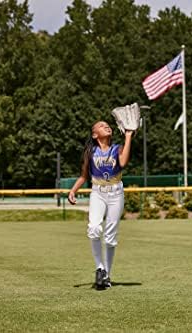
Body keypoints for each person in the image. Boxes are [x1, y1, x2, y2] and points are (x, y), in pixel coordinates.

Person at [68, 120, 134, 290]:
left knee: (110, 237)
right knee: (94, 228)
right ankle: (100, 267)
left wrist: (128, 136)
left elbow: (123, 162)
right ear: (94, 134)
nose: (106, 126)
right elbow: (84, 176)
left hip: (116, 192)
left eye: (108, 125)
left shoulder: (116, 148)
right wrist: (73, 190)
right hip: (98, 192)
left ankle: (107, 275)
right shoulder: (90, 152)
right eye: (101, 125)